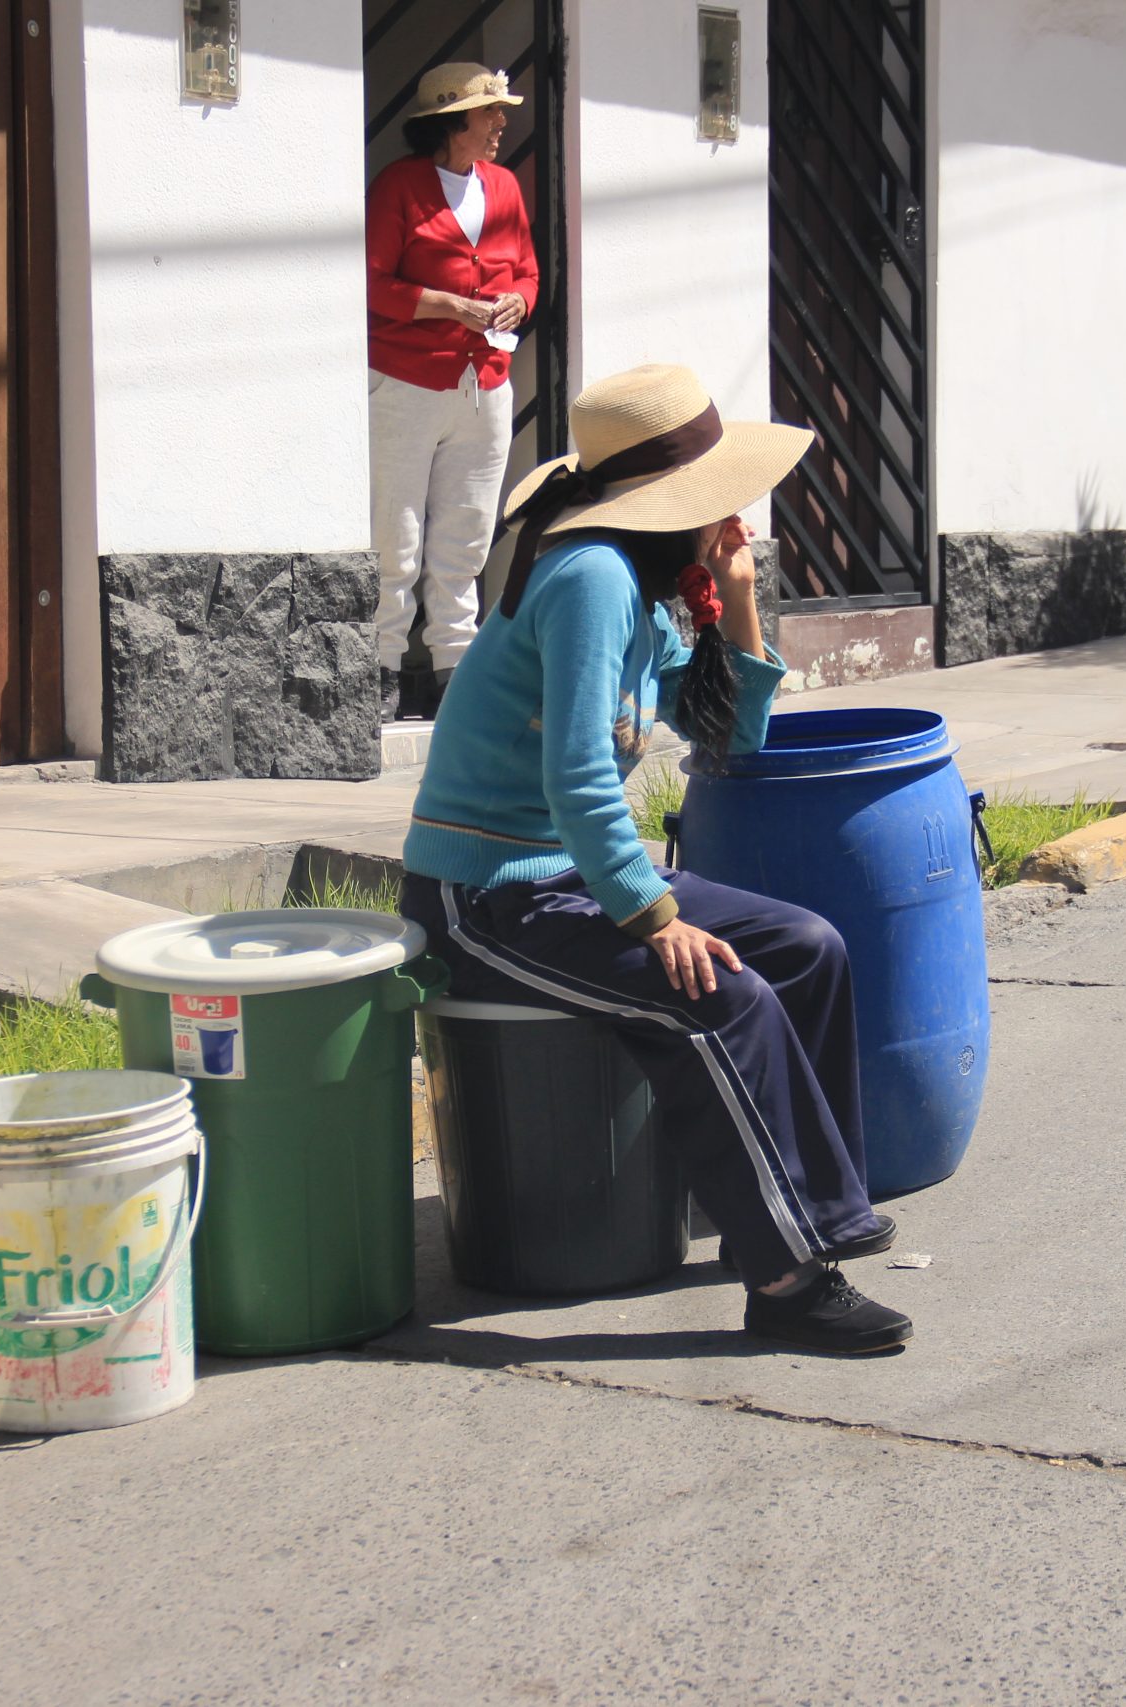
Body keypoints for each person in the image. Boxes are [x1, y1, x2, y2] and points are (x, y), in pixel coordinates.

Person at [399, 364, 913, 1355]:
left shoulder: (643, 585)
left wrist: (739, 596)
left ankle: (801, 1202)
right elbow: (576, 776)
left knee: (806, 947)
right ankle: (786, 1273)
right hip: (486, 895)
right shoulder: (590, 575)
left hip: (570, 873)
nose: (735, 511)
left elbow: (731, 740)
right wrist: (654, 915)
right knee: (723, 995)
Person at [365, 62, 539, 723]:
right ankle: (382, 668)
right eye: (489, 112)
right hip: (407, 380)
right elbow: (373, 283)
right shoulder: (399, 188)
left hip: (485, 385)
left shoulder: (503, 187)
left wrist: (517, 304)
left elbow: (528, 272)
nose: (501, 123)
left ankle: (453, 675)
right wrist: (447, 305)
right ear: (449, 121)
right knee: (397, 534)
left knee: (465, 537)